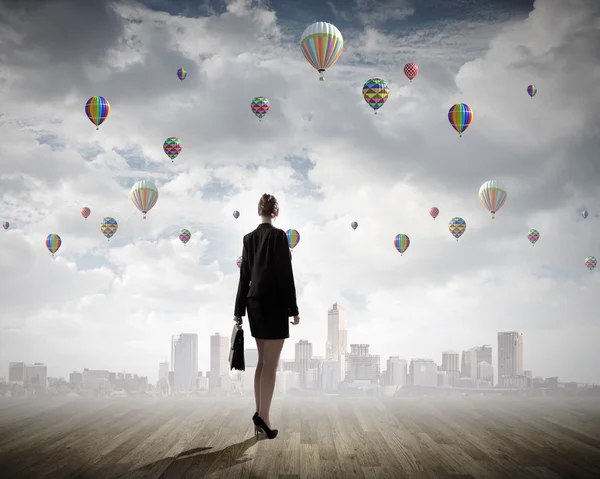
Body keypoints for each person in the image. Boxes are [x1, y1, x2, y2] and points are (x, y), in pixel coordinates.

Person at [233, 193, 300, 440]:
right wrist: (293, 308)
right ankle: (265, 417)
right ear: (277, 213)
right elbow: (285, 274)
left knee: (262, 362)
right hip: (274, 305)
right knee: (270, 365)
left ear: (258, 211)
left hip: (254, 306)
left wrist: (238, 310)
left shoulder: (248, 238)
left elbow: (244, 276)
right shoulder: (279, 236)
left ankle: (260, 414)